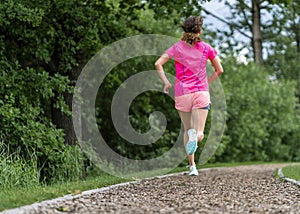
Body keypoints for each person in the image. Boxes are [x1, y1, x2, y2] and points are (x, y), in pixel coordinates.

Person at [155, 16, 223, 176]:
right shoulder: (207, 48)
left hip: (182, 94)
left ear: (184, 30)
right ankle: (197, 138)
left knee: (187, 130)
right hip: (200, 92)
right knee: (199, 132)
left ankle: (192, 167)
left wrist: (166, 82)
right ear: (199, 31)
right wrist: (207, 82)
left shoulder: (176, 47)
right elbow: (220, 70)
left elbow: (158, 63)